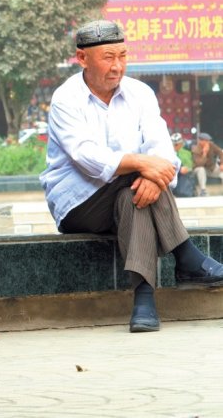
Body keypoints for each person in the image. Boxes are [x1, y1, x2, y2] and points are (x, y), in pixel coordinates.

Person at [40, 20, 223, 333]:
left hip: (123, 196)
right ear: (82, 59)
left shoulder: (140, 94)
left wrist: (153, 175)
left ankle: (144, 300)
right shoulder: (65, 99)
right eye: (108, 58)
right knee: (132, 175)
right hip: (78, 204)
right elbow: (86, 157)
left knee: (133, 196)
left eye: (123, 56)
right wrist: (143, 164)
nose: (118, 66)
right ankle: (186, 256)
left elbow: (163, 150)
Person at [191, 132, 223, 197]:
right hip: (199, 169)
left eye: (208, 140)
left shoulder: (211, 145)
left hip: (211, 168)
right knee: (201, 170)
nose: (207, 142)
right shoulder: (195, 149)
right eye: (205, 141)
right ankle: (203, 191)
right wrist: (204, 153)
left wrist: (222, 163)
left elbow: (220, 152)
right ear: (200, 141)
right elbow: (199, 163)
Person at [171, 132, 195, 198]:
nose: (175, 146)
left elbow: (190, 166)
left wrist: (184, 169)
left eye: (176, 144)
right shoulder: (169, 152)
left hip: (182, 174)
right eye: (174, 144)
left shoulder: (186, 152)